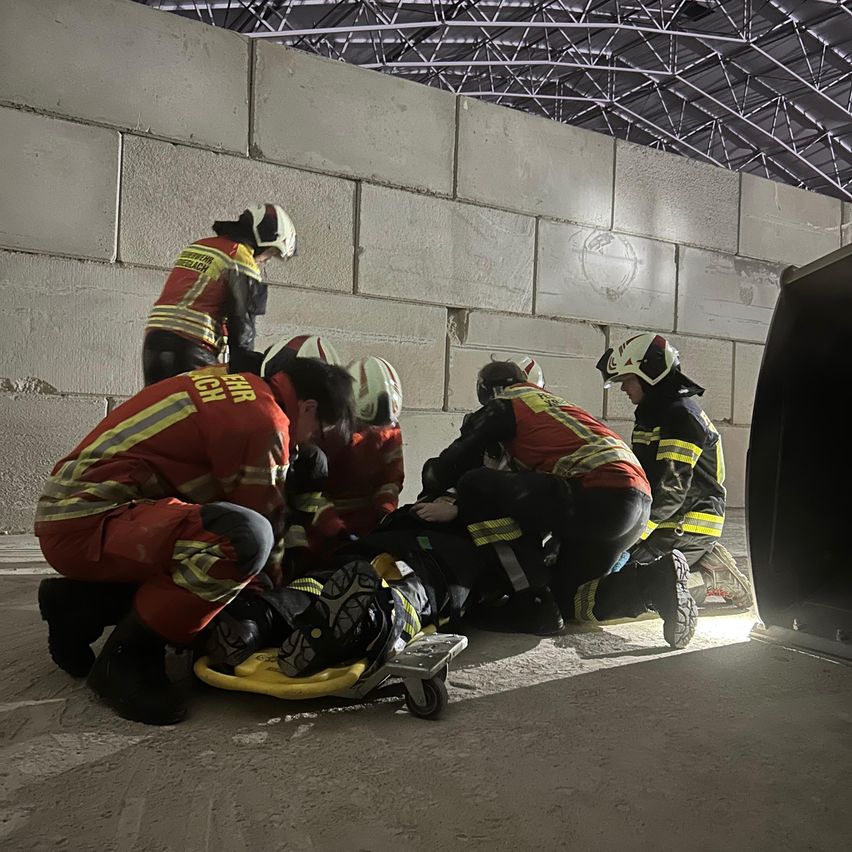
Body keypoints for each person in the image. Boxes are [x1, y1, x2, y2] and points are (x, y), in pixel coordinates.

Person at [35, 342, 354, 725]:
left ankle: (80, 604)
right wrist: (270, 599)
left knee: (201, 551)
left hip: (76, 514)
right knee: (244, 540)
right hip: (90, 522)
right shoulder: (267, 422)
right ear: (308, 408)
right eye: (318, 433)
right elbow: (263, 525)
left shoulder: (230, 385)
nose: (309, 444)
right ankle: (127, 657)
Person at [206, 501, 698, 677]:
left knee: (323, 583)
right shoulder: (522, 524)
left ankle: (255, 619)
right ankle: (371, 618)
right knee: (411, 592)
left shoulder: (465, 492)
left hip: (381, 541)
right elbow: (542, 609)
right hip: (439, 563)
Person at [415, 361, 692, 642]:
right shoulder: (554, 410)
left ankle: (529, 602)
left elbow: (448, 467)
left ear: (489, 391)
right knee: (569, 601)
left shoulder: (506, 403)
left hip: (597, 491)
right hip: (632, 504)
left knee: (474, 483)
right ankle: (656, 582)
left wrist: (446, 504)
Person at [596, 332, 752, 608]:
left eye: (627, 380)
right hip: (669, 521)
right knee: (609, 571)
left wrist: (632, 535)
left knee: (633, 586)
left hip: (687, 523)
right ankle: (703, 562)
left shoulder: (680, 416)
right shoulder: (655, 413)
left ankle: (712, 580)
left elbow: (670, 491)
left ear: (649, 375)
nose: (623, 388)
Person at [142, 204, 297, 385]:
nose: (265, 261)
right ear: (266, 241)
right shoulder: (240, 256)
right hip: (193, 347)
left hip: (154, 343)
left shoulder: (200, 245)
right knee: (205, 410)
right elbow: (242, 319)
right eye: (271, 253)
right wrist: (248, 369)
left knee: (162, 409)